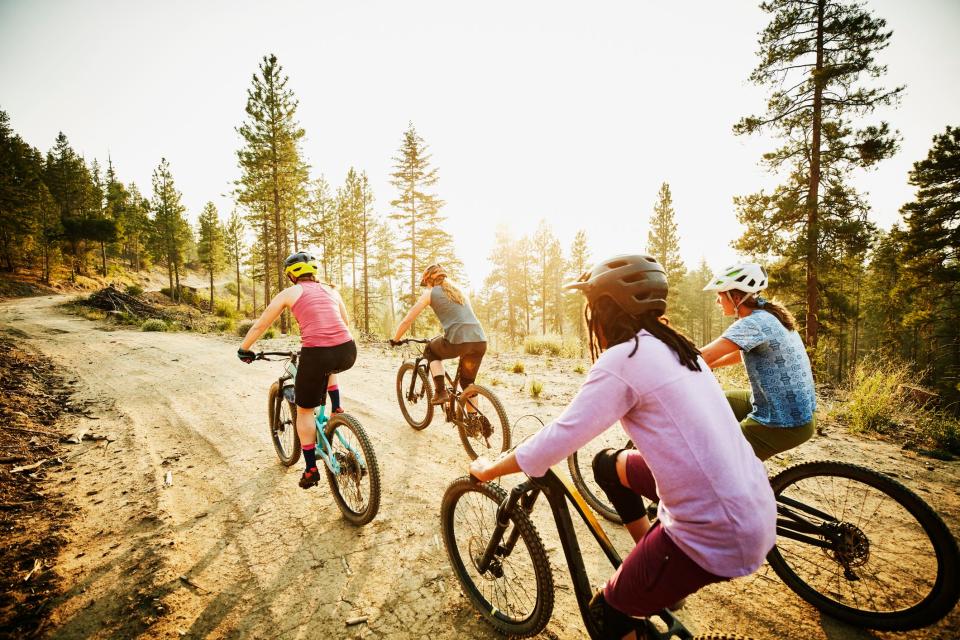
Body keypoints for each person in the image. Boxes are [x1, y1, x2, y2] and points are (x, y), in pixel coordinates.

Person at [468, 254, 776, 639]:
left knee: (607, 616)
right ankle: (650, 560)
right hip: (753, 504)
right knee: (606, 464)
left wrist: (490, 468)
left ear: (604, 309)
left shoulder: (623, 359)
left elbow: (557, 441)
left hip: (717, 530)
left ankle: (649, 576)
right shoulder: (674, 345)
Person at [237, 252, 356, 489]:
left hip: (318, 354)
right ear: (314, 271)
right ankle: (337, 407)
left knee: (304, 411)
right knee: (329, 364)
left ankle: (311, 468)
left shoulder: (290, 293)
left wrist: (244, 348)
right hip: (348, 350)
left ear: (291, 274)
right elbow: (344, 321)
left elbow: (262, 323)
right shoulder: (332, 290)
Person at [699, 262, 816, 461]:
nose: (718, 302)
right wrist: (711, 365)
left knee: (719, 462)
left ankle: (741, 482)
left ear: (735, 297)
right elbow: (739, 353)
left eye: (720, 295)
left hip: (782, 422)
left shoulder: (752, 323)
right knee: (709, 403)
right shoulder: (769, 314)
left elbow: (702, 355)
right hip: (794, 412)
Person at [390, 264, 487, 406]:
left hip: (458, 342)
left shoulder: (430, 293)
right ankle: (474, 421)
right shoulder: (459, 291)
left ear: (429, 281)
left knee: (430, 350)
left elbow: (408, 320)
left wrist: (395, 339)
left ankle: (441, 392)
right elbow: (461, 318)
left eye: (426, 284)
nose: (427, 287)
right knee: (467, 383)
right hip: (480, 340)